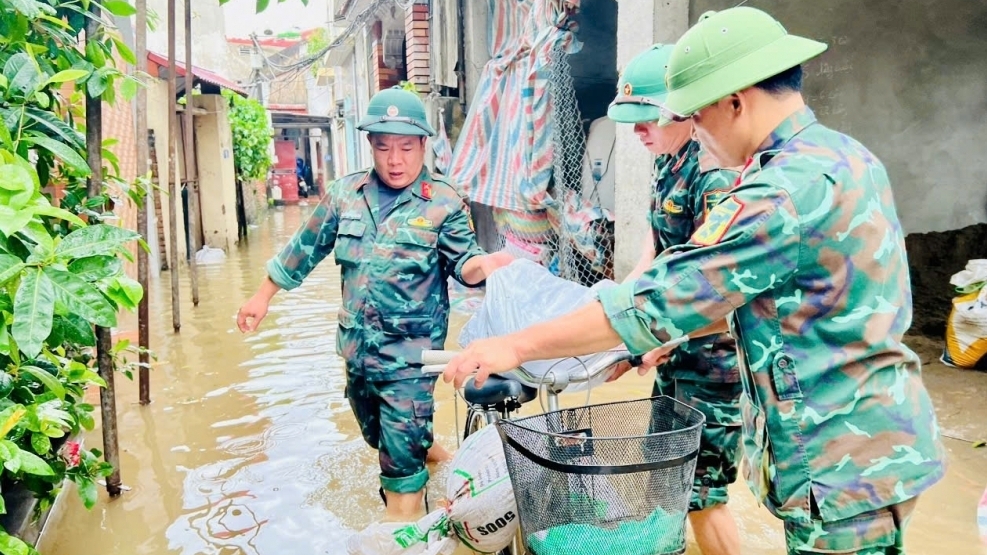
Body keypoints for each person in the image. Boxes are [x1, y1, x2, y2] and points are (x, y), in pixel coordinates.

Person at [442, 7, 946, 555]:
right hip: (875, 438)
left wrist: (514, 345)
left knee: (705, 497)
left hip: (841, 459)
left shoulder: (778, 195)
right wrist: (633, 348)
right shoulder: (845, 156)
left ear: (736, 100)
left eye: (698, 115)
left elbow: (657, 303)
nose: (696, 132)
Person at [237, 86, 513, 526]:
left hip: (411, 359)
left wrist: (487, 265)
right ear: (371, 146)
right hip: (357, 353)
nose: (395, 159)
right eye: (384, 147)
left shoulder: (442, 201)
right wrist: (262, 295)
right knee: (378, 436)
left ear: (424, 144)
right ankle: (436, 450)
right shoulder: (347, 194)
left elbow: (465, 263)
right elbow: (304, 247)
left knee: (399, 473)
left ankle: (399, 530)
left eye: (406, 147)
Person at [607, 43, 741, 555]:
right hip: (677, 354)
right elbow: (655, 252)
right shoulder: (669, 160)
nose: (637, 132)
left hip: (715, 363)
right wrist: (623, 311)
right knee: (665, 475)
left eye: (646, 120)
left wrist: (656, 336)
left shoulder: (716, 176)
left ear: (682, 109)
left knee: (703, 494)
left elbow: (722, 292)